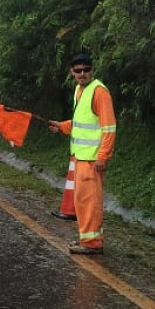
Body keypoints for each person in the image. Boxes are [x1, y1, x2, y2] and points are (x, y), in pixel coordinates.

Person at [46, 53, 116, 255]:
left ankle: (93, 243)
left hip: (93, 160)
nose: (83, 73)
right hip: (80, 157)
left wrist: (103, 156)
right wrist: (62, 126)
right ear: (72, 73)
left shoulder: (99, 92)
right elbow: (81, 123)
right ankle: (88, 240)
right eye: (78, 70)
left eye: (87, 69)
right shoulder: (80, 90)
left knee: (90, 202)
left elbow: (109, 127)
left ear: (92, 70)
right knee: (82, 203)